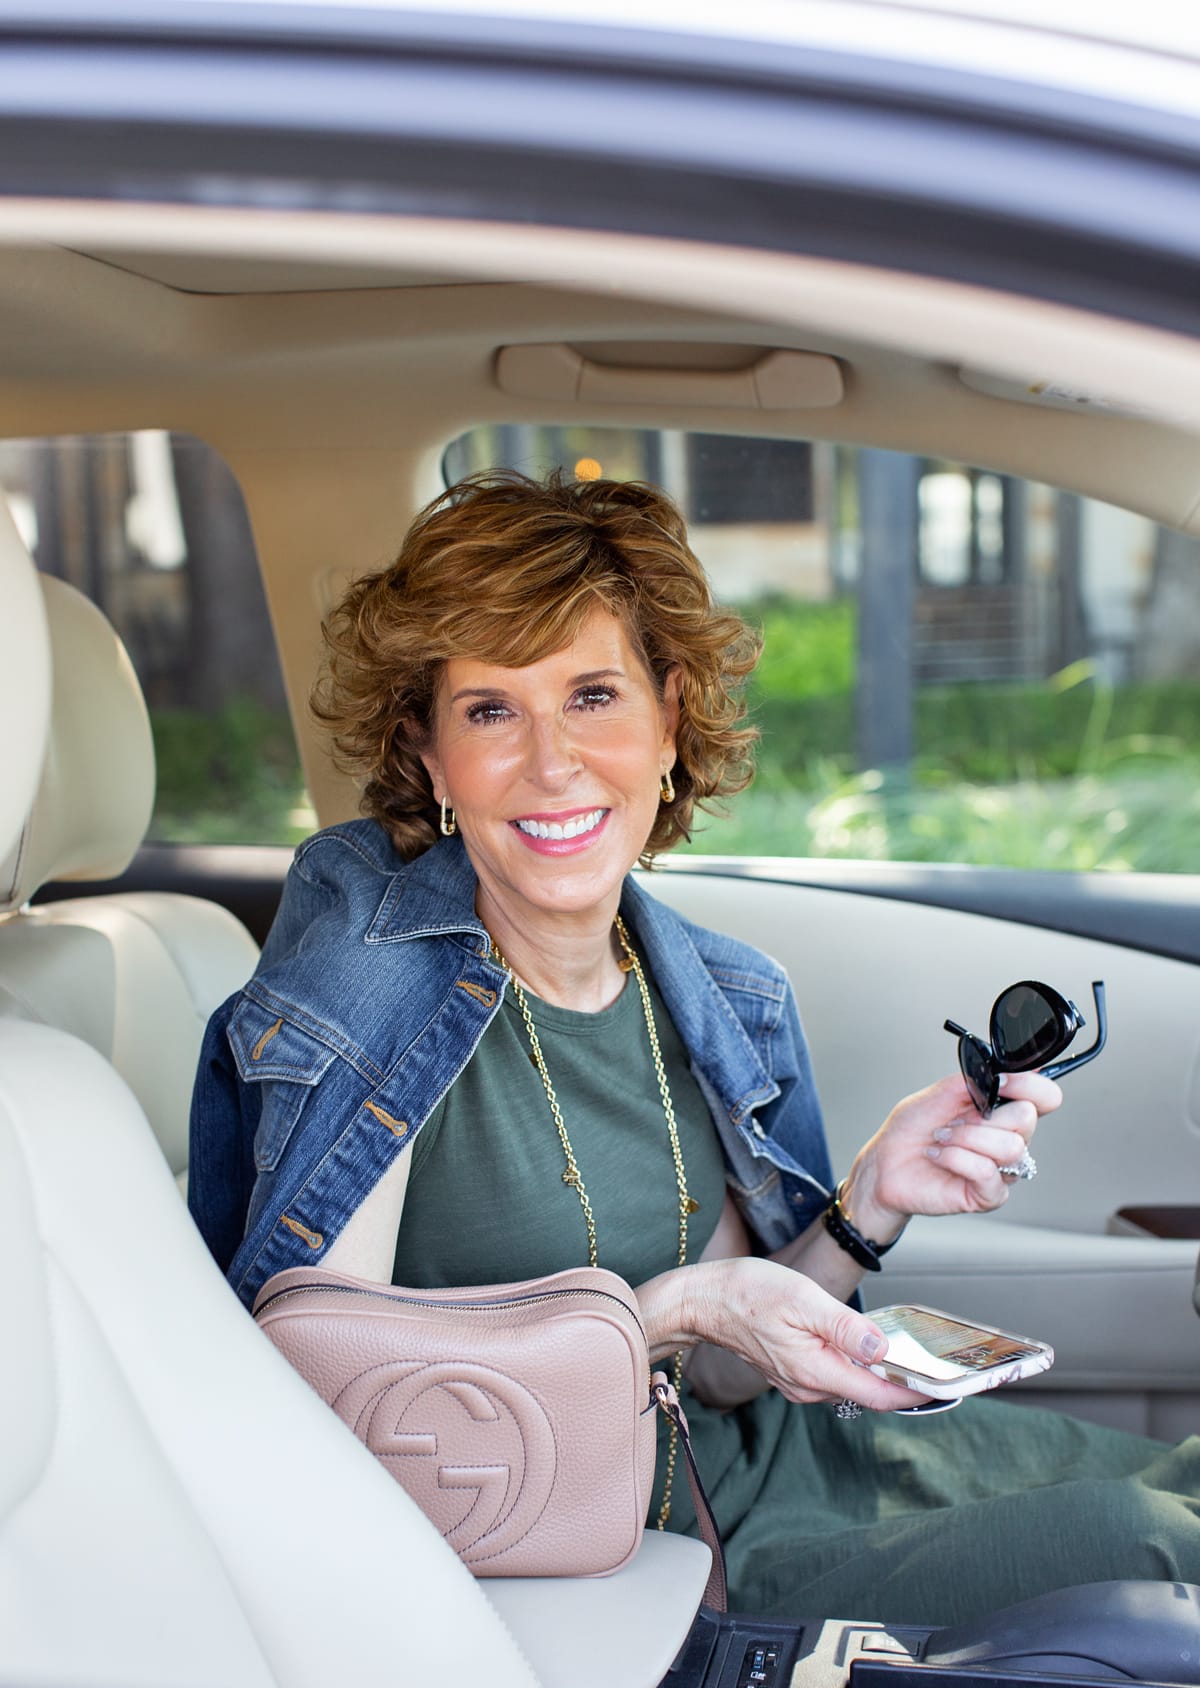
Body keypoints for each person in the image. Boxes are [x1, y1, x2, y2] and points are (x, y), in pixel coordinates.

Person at [189, 470, 1200, 1626]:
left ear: (669, 718)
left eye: (593, 695)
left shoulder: (708, 991)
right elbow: (323, 1389)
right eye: (490, 711)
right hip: (639, 1551)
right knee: (1150, 1551)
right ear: (429, 758)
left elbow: (721, 1373)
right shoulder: (367, 984)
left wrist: (871, 1198)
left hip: (776, 1460)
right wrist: (661, 1312)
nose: (552, 762)